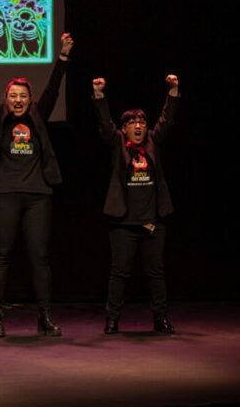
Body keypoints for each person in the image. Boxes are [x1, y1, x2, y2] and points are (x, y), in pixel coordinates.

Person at [0, 32, 73, 337]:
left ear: (30, 99)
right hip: (3, 194)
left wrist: (63, 54)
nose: (17, 100)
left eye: (23, 96)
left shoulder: (38, 117)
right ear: (6, 99)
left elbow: (54, 87)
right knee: (2, 255)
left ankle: (44, 316)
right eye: (13, 95)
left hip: (39, 195)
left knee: (40, 257)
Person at [92, 74, 180, 334]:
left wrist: (173, 90)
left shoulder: (152, 141)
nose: (138, 126)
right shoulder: (118, 142)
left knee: (156, 273)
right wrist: (99, 95)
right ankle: (112, 319)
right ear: (125, 129)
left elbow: (167, 120)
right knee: (119, 273)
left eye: (141, 121)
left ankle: (160, 319)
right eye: (132, 123)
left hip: (153, 221)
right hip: (123, 223)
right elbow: (105, 124)